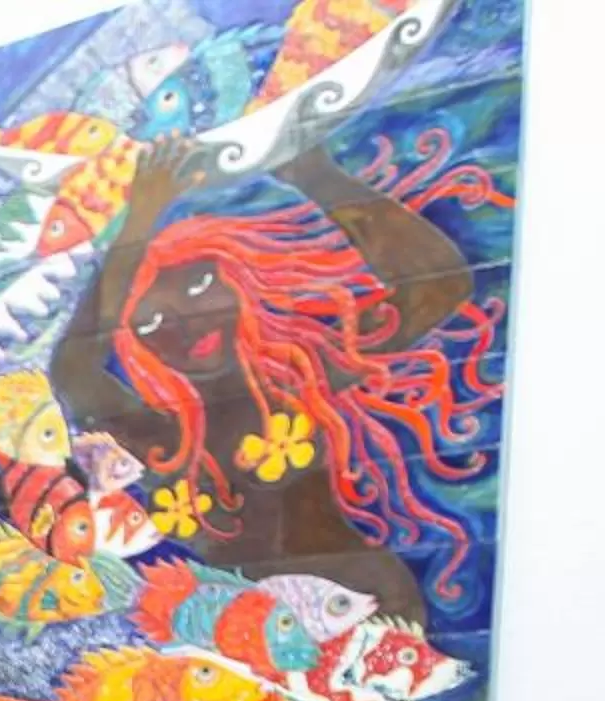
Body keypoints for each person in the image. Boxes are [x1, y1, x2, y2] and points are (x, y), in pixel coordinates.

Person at [50, 130, 506, 626]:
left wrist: (314, 174)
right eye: (151, 322)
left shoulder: (300, 378)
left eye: (201, 285)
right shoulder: (165, 439)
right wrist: (139, 220)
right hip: (252, 648)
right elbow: (73, 370)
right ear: (135, 344)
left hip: (371, 610)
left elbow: (441, 282)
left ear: (238, 282)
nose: (186, 324)